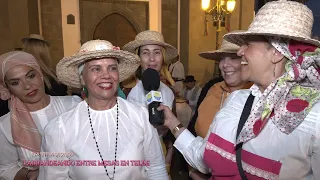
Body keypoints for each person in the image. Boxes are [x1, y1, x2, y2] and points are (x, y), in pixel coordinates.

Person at [160, 1, 320, 179]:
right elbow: (204, 158)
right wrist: (173, 123)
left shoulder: (314, 118)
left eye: (248, 44)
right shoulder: (237, 100)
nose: (240, 51)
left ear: (277, 53)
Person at [39, 40, 168, 180]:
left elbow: (156, 169)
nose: (106, 75)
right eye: (96, 69)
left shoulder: (141, 116)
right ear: (82, 78)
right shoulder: (60, 129)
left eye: (112, 68)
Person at [0, 51, 81, 180]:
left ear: (40, 75)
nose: (27, 86)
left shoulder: (73, 105)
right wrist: (28, 174)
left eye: (31, 76)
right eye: (15, 82)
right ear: (7, 88)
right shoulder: (5, 125)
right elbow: (6, 169)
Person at [122, 30, 178, 177]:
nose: (152, 59)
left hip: (160, 156)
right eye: (146, 53)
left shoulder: (169, 92)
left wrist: (169, 154)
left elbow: (171, 131)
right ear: (138, 58)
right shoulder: (125, 91)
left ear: (163, 57)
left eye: (157, 52)